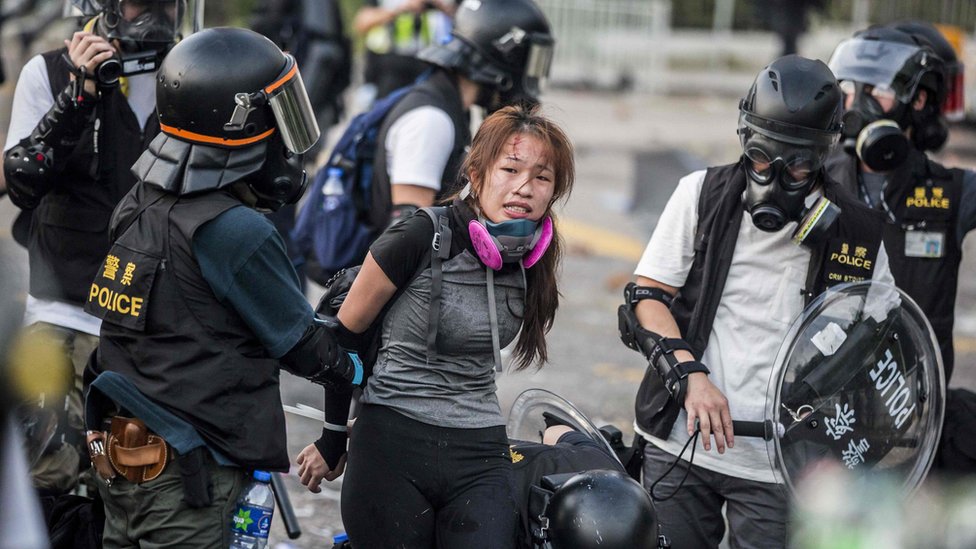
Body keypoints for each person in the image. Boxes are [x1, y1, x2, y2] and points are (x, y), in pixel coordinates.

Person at [81, 27, 361, 547]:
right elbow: (304, 348)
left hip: (122, 464)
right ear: (244, 126)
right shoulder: (236, 230)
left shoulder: (138, 203)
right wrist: (354, 355)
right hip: (190, 479)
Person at [620, 55, 895, 547]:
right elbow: (646, 298)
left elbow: (882, 334)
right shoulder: (700, 194)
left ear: (826, 152)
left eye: (799, 165)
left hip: (780, 465)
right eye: (763, 158)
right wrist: (690, 377)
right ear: (744, 137)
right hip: (680, 442)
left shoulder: (856, 231)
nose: (776, 176)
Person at [295, 104, 575, 548]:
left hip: (479, 445)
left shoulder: (533, 258)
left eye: (542, 177)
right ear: (477, 174)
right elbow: (340, 340)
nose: (525, 187)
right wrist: (333, 436)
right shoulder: (419, 236)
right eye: (510, 169)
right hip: (392, 439)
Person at [2, 0, 190, 497]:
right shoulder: (47, 70)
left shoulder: (193, 75)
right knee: (47, 479)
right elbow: (22, 181)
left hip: (150, 326)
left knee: (132, 488)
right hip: (63, 312)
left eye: (166, 5)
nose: (154, 17)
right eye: (137, 5)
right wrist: (81, 92)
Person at [825, 22, 976, 384]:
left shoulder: (954, 190)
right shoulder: (818, 180)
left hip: (915, 399)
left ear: (919, 99)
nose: (858, 103)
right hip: (826, 394)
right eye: (849, 88)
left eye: (878, 89)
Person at [365, 0, 554, 228]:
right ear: (506, 57)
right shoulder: (431, 120)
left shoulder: (450, 106)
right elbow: (405, 236)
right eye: (531, 61)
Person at [354, 0, 455, 101]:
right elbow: (362, 23)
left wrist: (437, 5)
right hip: (389, 68)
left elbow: (459, 18)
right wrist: (401, 9)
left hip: (424, 64)